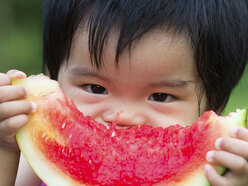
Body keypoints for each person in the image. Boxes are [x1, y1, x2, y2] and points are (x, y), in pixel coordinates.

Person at [1, 0, 248, 185]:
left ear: (212, 104)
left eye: (160, 96)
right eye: (96, 88)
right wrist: (6, 149)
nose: (124, 116)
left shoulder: (213, 171)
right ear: (54, 79)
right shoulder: (31, 170)